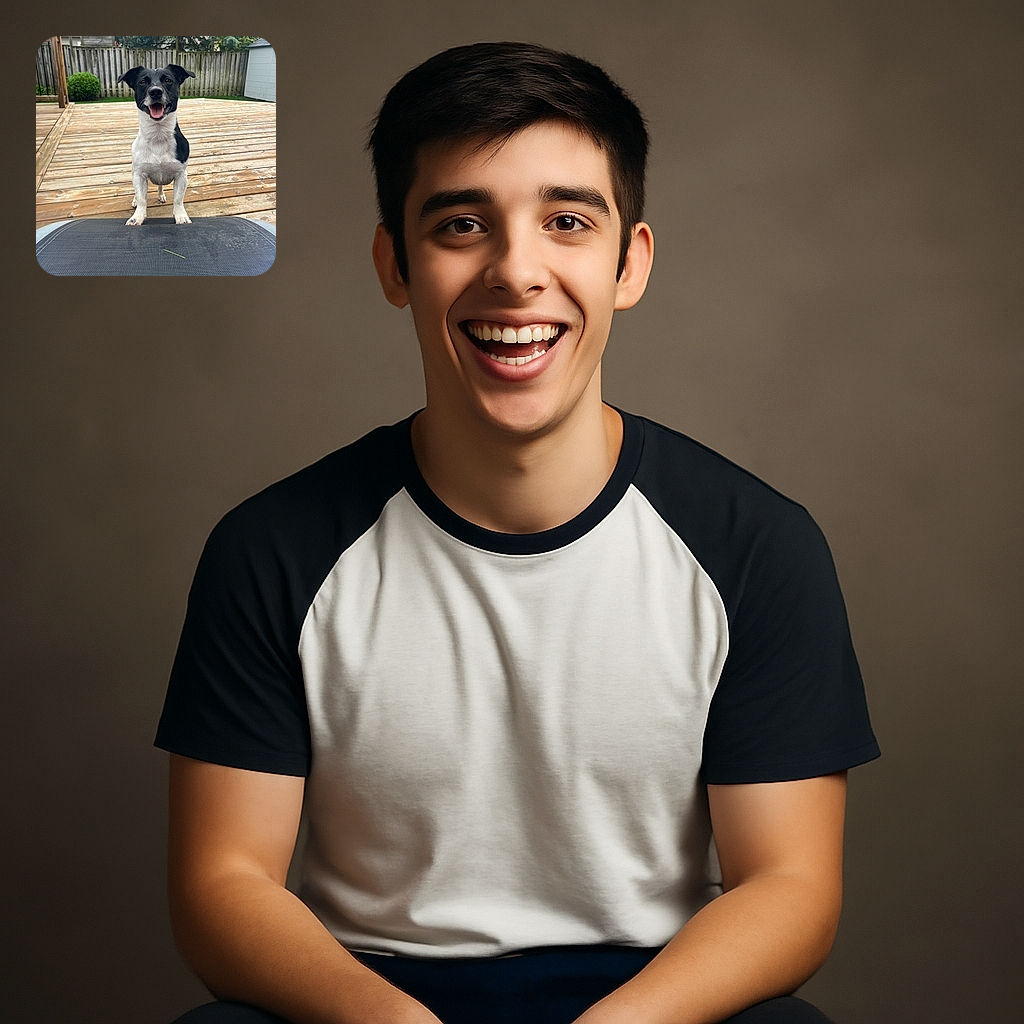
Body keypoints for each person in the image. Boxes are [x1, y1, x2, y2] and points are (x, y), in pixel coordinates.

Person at [157, 41, 879, 1024]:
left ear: (630, 263)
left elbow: (788, 889)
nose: (515, 271)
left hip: (652, 999)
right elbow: (221, 886)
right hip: (368, 995)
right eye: (460, 224)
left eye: (567, 222)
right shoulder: (273, 549)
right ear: (394, 265)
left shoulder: (756, 544)